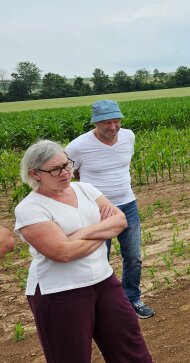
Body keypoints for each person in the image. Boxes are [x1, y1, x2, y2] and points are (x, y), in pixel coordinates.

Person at [14, 140, 152, 362]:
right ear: (35, 173)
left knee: (130, 348)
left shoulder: (85, 189)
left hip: (104, 281)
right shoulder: (30, 209)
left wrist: (78, 235)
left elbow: (120, 221)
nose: (65, 172)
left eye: (67, 164)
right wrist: (104, 232)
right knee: (70, 356)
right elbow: (63, 253)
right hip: (59, 291)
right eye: (55, 169)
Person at [65, 100, 155, 319]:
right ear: (95, 123)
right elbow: (70, 173)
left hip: (127, 205)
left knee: (133, 256)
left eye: (117, 121)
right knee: (98, 257)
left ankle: (132, 298)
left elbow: (122, 164)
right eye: (107, 122)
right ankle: (102, 305)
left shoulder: (129, 136)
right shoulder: (77, 146)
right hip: (95, 211)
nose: (114, 127)